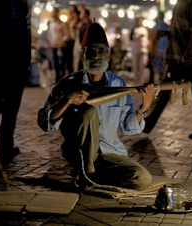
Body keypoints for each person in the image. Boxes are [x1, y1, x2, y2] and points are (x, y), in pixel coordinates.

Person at [37, 22, 156, 191]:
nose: (96, 57)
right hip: (78, 153)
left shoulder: (118, 83)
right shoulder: (67, 84)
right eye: (91, 52)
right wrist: (65, 101)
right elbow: (45, 123)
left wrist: (144, 107)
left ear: (109, 56)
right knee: (89, 112)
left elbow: (128, 128)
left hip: (109, 153)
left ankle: (90, 176)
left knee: (142, 179)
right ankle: (86, 170)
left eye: (101, 52)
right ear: (83, 55)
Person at [143, 0, 192, 143]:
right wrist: (167, 33)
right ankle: (149, 123)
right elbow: (182, 30)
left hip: (187, 58)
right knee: (166, 89)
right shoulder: (179, 4)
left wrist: (188, 53)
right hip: (176, 57)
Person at [0, 0, 31, 166]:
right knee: (4, 110)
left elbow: (26, 34)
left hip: (9, 62)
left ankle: (0, 147)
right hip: (10, 62)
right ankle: (2, 147)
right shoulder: (19, 5)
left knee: (2, 110)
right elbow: (25, 34)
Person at [46, 7, 69, 83]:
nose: (53, 14)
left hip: (61, 46)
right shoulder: (51, 24)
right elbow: (49, 34)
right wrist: (49, 42)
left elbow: (66, 35)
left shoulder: (62, 24)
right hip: (53, 45)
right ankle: (57, 78)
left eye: (54, 12)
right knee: (55, 63)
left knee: (61, 63)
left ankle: (62, 78)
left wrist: (62, 42)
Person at [130, 17, 149, 84]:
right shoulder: (133, 29)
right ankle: (136, 78)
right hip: (135, 50)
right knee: (135, 65)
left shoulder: (145, 30)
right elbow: (131, 39)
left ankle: (141, 79)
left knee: (142, 65)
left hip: (143, 50)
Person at [151, 12, 169, 83]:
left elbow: (154, 39)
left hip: (158, 49)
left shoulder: (156, 27)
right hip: (165, 50)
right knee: (163, 67)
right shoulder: (167, 26)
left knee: (157, 67)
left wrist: (153, 49)